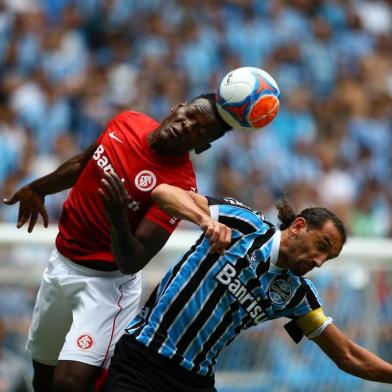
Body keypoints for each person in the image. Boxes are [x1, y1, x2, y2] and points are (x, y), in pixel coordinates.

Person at [2, 93, 232, 392]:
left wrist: (118, 219)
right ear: (178, 107)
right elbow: (83, 163)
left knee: (70, 384)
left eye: (200, 131)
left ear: (202, 146)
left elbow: (133, 260)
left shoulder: (179, 187)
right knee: (43, 375)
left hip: (107, 285)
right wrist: (38, 188)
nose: (187, 126)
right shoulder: (128, 121)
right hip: (61, 264)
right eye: (190, 115)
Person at [103, 181, 392, 391]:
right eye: (321, 246)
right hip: (142, 360)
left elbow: (346, 355)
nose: (319, 260)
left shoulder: (298, 296)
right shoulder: (244, 224)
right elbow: (163, 193)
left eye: (327, 257)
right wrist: (204, 221)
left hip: (194, 380)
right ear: (299, 226)